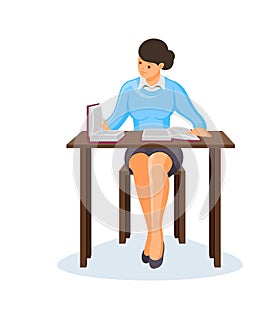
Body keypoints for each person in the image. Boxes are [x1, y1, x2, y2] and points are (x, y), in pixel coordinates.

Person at [103, 39, 211, 269]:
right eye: (140, 62)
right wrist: (100, 124)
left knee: (157, 165)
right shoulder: (129, 88)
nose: (142, 69)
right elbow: (115, 121)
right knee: (142, 165)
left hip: (167, 145)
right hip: (136, 145)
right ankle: (157, 235)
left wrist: (199, 127)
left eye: (148, 65)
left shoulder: (173, 89)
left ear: (160, 66)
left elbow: (196, 117)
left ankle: (153, 236)